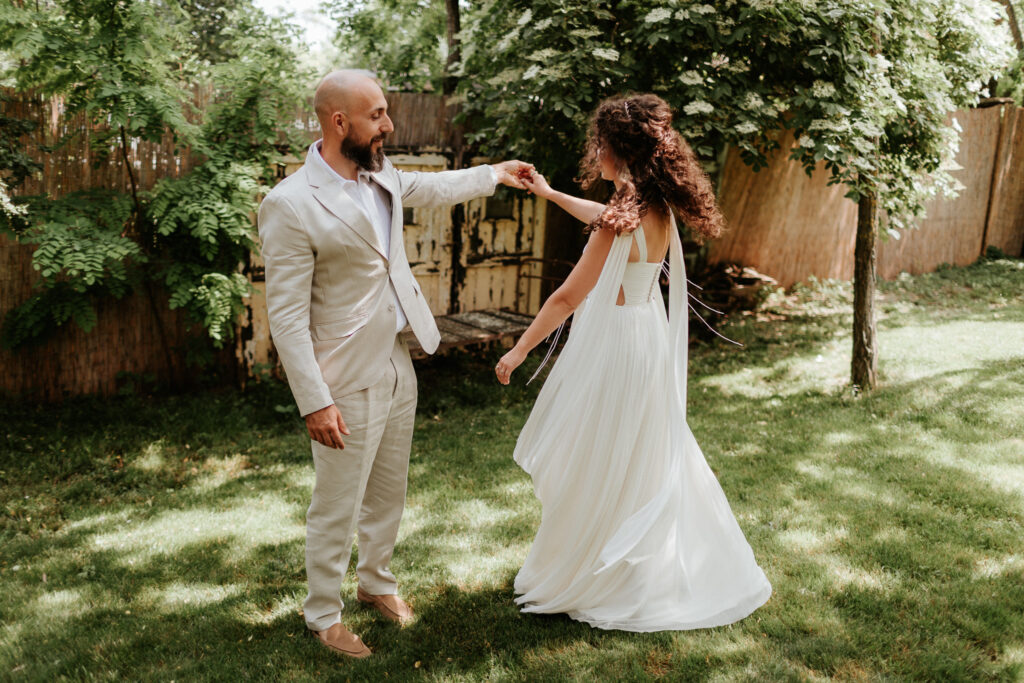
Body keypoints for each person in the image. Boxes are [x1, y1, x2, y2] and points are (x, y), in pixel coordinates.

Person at [258, 69, 532, 658]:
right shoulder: (289, 204)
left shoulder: (379, 172)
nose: (388, 124)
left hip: (397, 357)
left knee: (388, 489)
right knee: (337, 503)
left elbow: (432, 188)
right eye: (377, 114)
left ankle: (375, 583)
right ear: (339, 122)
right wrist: (315, 401)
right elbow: (286, 319)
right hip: (343, 375)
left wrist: (494, 174)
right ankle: (322, 614)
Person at [494, 93, 772, 631]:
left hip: (615, 345)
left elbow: (566, 298)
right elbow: (603, 218)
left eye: (600, 144)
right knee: (633, 453)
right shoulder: (654, 207)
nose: (595, 152)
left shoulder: (619, 220)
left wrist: (520, 349)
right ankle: (630, 562)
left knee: (599, 454)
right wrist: (549, 194)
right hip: (644, 337)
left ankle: (603, 571)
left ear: (619, 150)